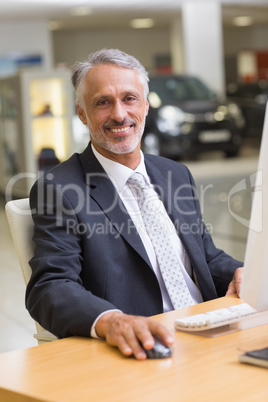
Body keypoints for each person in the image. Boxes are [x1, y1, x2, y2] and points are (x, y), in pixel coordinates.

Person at [26, 48, 243, 360]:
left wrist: (240, 271)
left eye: (129, 98)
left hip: (208, 330)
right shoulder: (60, 189)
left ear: (145, 105)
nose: (119, 114)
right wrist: (111, 321)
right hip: (143, 344)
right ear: (82, 113)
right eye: (103, 102)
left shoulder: (174, 173)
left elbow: (205, 257)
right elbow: (50, 287)